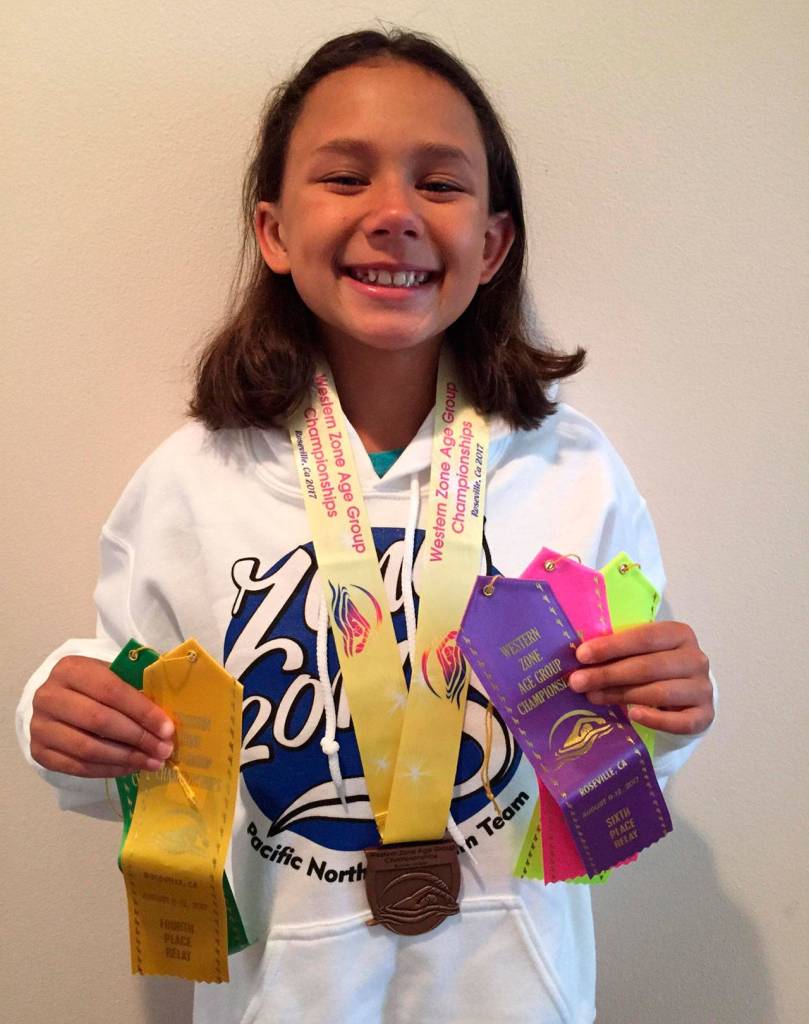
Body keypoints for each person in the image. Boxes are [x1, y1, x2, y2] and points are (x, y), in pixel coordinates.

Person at [16, 27, 714, 1024]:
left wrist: (670, 705)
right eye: (345, 177)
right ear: (272, 231)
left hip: (514, 993)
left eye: (440, 183)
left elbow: (621, 753)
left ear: (492, 244)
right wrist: (59, 714)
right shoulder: (191, 482)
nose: (394, 214)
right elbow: (136, 740)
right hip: (283, 998)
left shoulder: (572, 471)